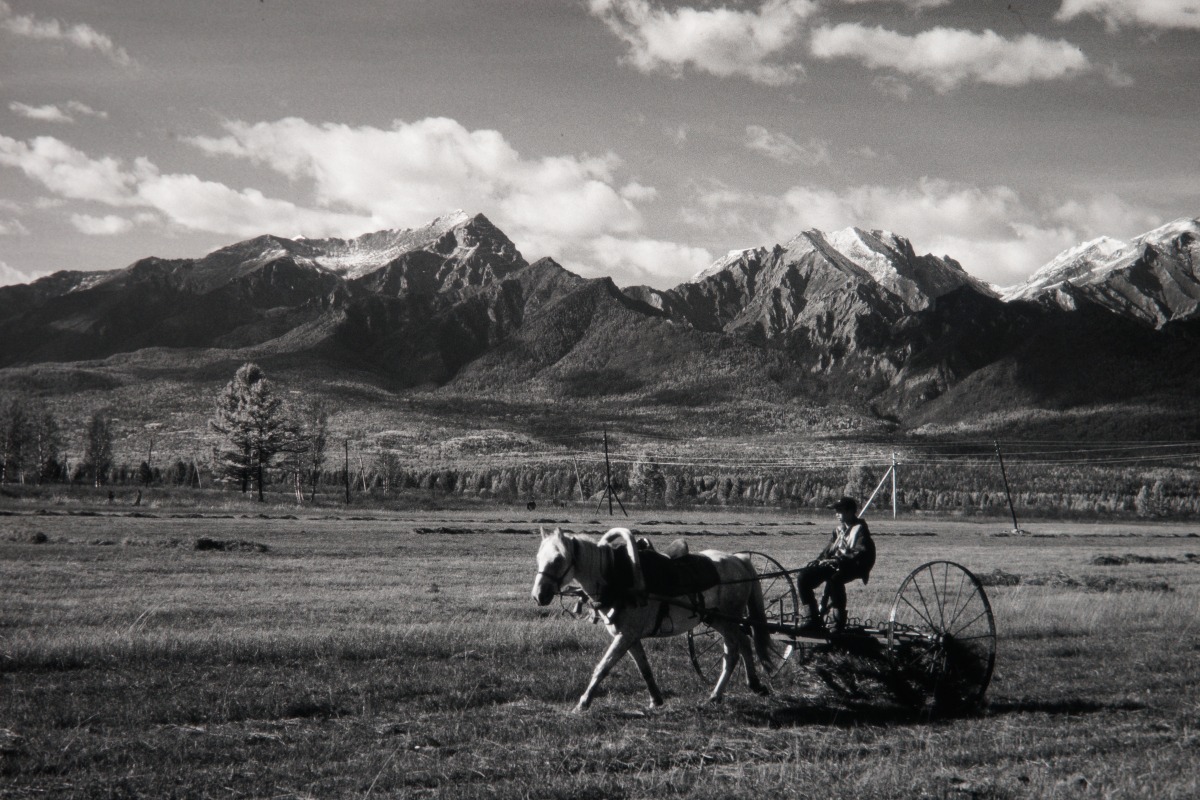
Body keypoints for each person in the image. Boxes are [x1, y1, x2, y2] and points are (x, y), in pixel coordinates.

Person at [797, 496, 876, 632]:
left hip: (855, 565)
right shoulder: (838, 531)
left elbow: (860, 551)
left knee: (835, 579)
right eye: (836, 511)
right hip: (836, 564)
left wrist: (838, 560)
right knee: (803, 577)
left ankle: (838, 621)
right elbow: (828, 550)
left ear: (850, 512)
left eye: (840, 511)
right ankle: (812, 618)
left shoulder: (860, 529)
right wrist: (818, 560)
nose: (837, 514)